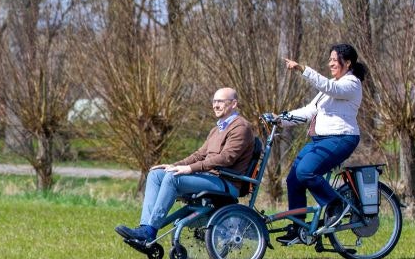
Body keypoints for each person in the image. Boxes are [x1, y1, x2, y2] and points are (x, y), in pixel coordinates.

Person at [115, 87, 255, 242]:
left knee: (173, 178)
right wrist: (173, 165)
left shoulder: (241, 127)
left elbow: (226, 158)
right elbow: (199, 155)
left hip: (227, 182)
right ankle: (145, 227)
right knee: (156, 175)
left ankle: (149, 231)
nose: (215, 105)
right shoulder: (216, 129)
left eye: (220, 101)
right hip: (209, 177)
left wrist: (189, 169)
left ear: (234, 103)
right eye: (214, 101)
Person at [277, 43, 366, 244]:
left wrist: (302, 69)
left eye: (335, 60)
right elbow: (309, 112)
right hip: (321, 139)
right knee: (293, 179)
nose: (330, 63)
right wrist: (279, 119)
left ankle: (337, 205)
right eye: (330, 60)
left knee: (306, 171)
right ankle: (298, 227)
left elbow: (330, 87)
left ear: (348, 62)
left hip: (342, 137)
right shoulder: (328, 90)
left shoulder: (351, 84)